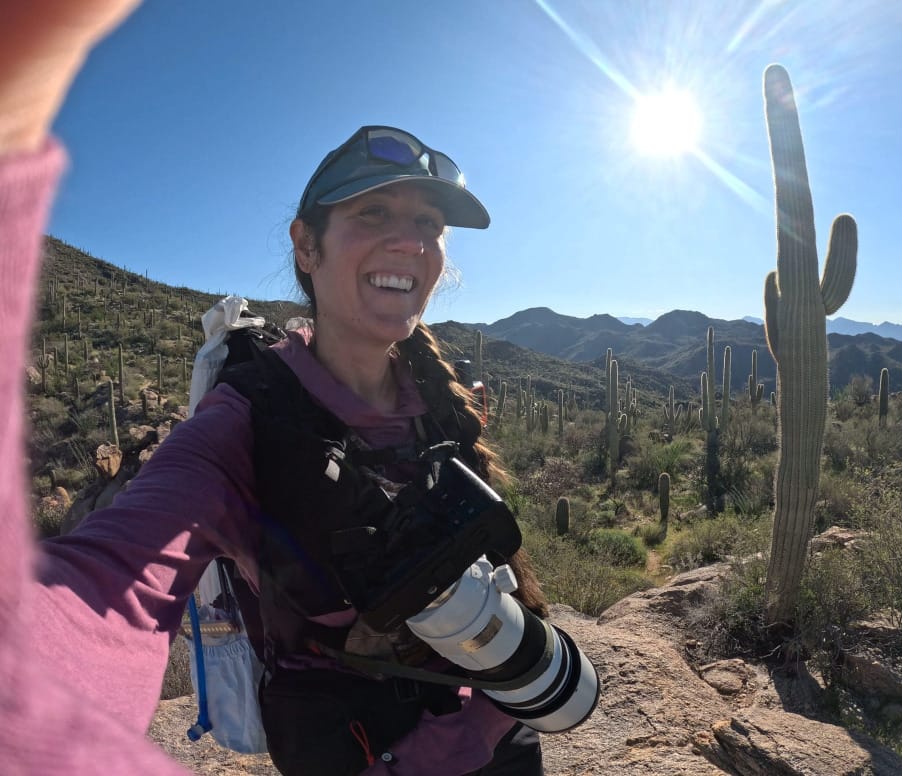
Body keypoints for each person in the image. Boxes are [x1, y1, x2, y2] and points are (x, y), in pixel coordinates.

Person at [0, 3, 553, 774]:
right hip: (353, 746)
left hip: (491, 728)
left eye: (428, 223)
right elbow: (113, 586)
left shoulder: (442, 390)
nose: (410, 240)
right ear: (305, 242)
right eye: (375, 212)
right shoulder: (244, 419)